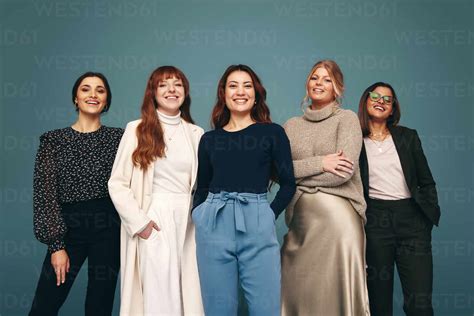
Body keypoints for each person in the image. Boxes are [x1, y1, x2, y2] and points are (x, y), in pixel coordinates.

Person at [192, 64, 296, 316]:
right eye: (233, 86)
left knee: (266, 308)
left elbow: (288, 182)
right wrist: (199, 214)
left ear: (256, 93)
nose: (240, 92)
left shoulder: (272, 133)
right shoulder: (209, 139)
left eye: (247, 86)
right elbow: (202, 185)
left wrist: (268, 214)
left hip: (257, 219)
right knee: (219, 309)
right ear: (223, 94)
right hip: (213, 223)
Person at [108, 66, 204, 316]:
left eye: (178, 84)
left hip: (188, 222)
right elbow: (117, 183)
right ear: (153, 92)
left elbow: (202, 184)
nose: (172, 90)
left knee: (189, 293)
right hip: (153, 218)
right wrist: (140, 223)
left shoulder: (196, 134)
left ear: (186, 92)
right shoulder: (136, 129)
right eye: (164, 85)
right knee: (158, 294)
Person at [29, 72, 123, 316]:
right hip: (68, 225)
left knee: (100, 305)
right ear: (75, 98)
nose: (93, 94)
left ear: (106, 101)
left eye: (100, 90)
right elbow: (45, 194)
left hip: (109, 226)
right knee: (45, 304)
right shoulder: (53, 140)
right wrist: (56, 245)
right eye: (85, 89)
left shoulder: (119, 138)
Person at [281, 60, 370, 315]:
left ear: (337, 88)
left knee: (337, 294)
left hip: (339, 223)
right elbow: (280, 173)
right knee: (297, 290)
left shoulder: (347, 119)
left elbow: (342, 173)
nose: (319, 83)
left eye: (327, 79)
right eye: (314, 78)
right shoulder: (291, 126)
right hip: (301, 224)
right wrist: (322, 162)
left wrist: (298, 175)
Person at [358, 82, 440, 316]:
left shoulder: (408, 137)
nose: (380, 101)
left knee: (420, 305)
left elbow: (427, 181)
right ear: (366, 101)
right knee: (378, 304)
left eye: (387, 99)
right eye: (375, 96)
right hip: (375, 222)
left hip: (412, 221)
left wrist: (426, 218)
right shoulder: (354, 140)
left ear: (393, 108)